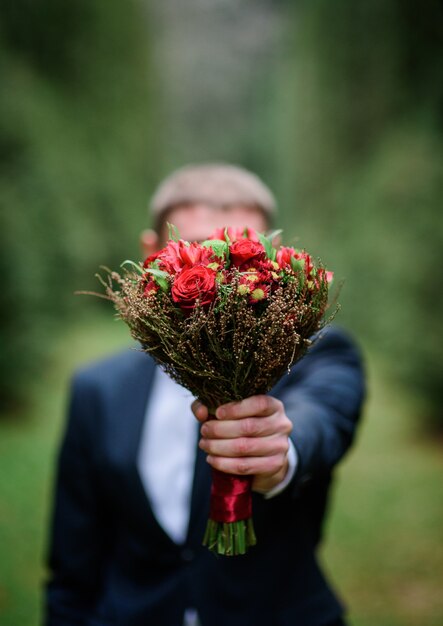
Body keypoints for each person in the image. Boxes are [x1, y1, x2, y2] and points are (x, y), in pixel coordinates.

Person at [45, 164, 365, 626]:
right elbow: (72, 572)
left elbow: (323, 417)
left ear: (276, 262)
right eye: (196, 252)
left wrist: (280, 452)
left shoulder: (319, 354)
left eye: (240, 261)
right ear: (151, 254)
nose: (218, 279)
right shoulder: (98, 390)